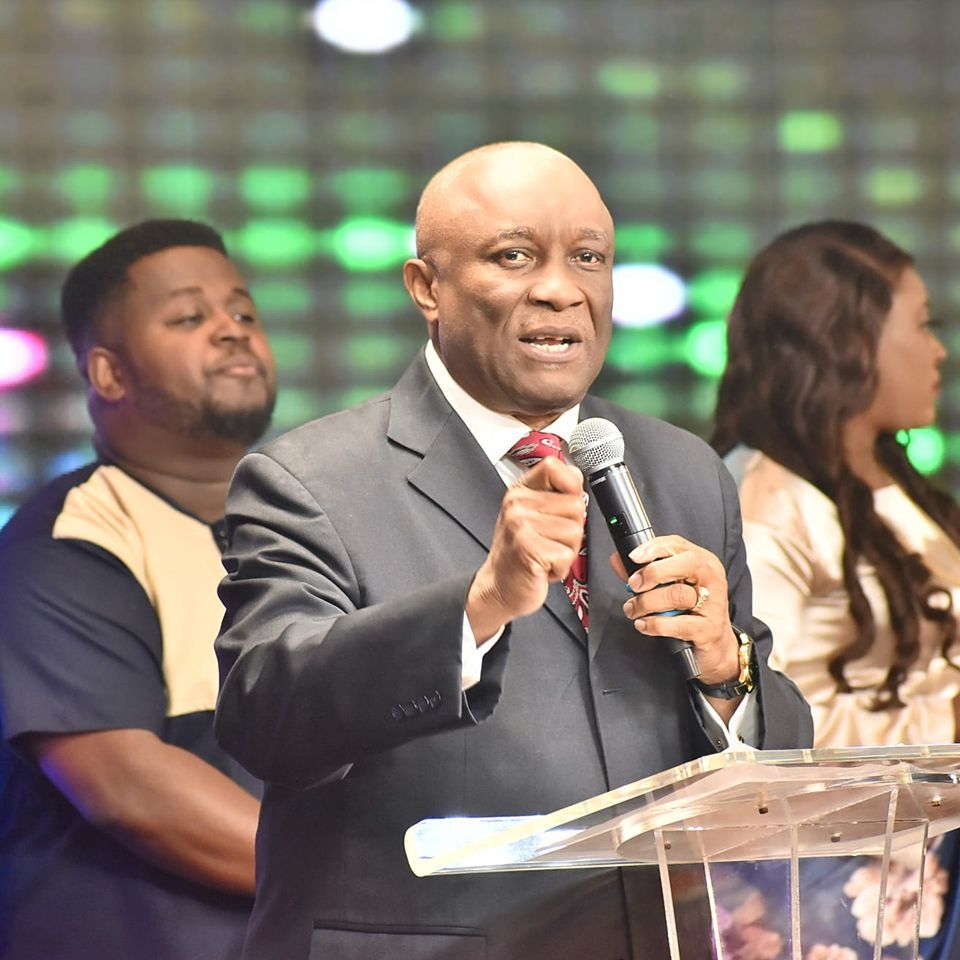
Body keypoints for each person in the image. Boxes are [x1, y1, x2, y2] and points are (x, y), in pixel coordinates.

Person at [215, 141, 812, 960]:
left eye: (589, 258)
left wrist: (722, 669)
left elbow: (777, 756)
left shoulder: (682, 470)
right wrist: (479, 605)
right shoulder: (308, 479)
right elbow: (267, 719)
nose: (562, 290)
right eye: (515, 256)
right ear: (427, 287)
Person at [0, 219, 277, 960]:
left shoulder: (307, 523)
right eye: (190, 317)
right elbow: (130, 789)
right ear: (108, 375)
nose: (230, 331)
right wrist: (367, 888)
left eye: (242, 313)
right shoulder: (68, 539)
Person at [712, 219, 960, 958]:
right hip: (842, 892)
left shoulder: (890, 484)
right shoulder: (769, 502)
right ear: (843, 341)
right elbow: (773, 727)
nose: (939, 350)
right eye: (920, 325)